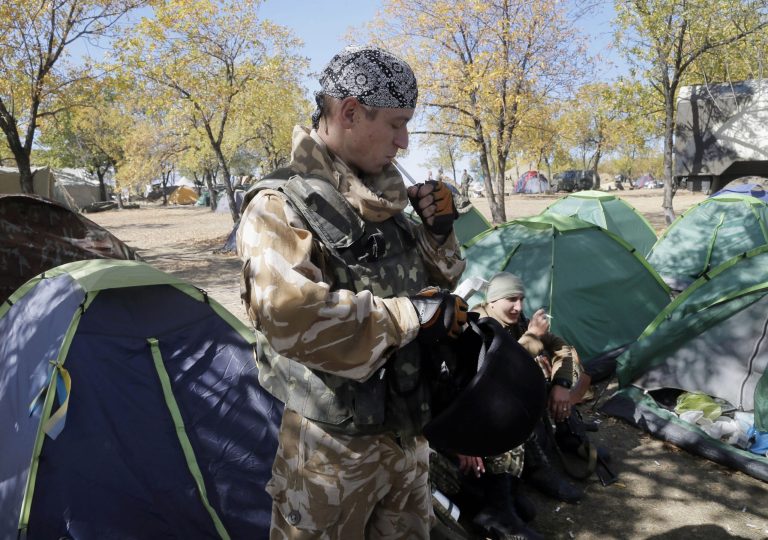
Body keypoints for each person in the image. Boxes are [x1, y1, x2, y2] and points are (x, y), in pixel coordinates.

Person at [237, 45, 468, 539]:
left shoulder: (382, 198)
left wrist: (439, 232)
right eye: (396, 124)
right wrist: (410, 315)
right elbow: (289, 315)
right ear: (349, 112)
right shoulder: (280, 204)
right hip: (330, 452)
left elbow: (435, 284)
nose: (404, 142)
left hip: (406, 434)